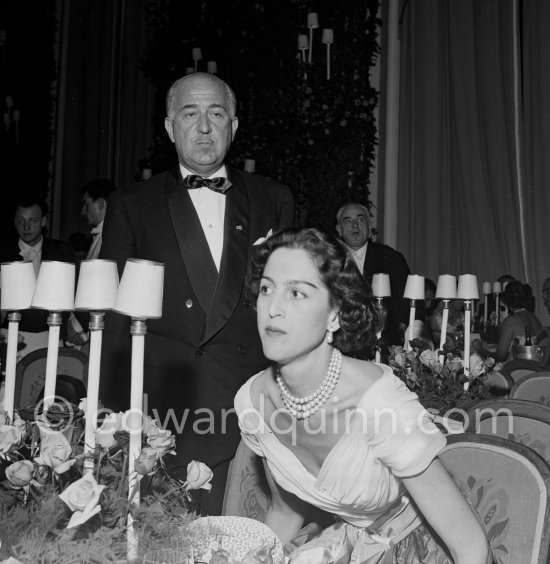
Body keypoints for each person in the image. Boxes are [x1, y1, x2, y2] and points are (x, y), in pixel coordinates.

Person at [99, 72, 295, 515]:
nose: (204, 127)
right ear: (170, 127)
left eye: (216, 113)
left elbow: (290, 312)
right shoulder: (132, 204)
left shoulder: (273, 199)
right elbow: (113, 322)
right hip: (165, 415)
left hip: (249, 409)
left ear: (234, 126)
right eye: (190, 114)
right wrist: (116, 418)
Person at [234, 228, 491, 563]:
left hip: (425, 548)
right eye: (267, 289)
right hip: (347, 544)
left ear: (335, 313)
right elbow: (284, 512)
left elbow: (470, 547)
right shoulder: (254, 401)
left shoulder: (381, 404)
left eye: (296, 293)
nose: (273, 308)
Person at [0, 195, 76, 355]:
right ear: (14, 222)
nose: (26, 227)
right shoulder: (4, 253)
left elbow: (74, 292)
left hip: (51, 335)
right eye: (21, 221)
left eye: (33, 221)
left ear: (43, 221)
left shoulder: (61, 251)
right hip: (11, 336)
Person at [335, 202, 410, 347]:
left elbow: (406, 304)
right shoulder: (330, 260)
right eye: (348, 221)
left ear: (369, 227)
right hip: (340, 344)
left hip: (382, 344)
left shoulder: (391, 258)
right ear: (339, 229)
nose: (355, 226)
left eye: (360, 220)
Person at [475, 280, 543, 363]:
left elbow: (499, 358)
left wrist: (480, 349)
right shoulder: (535, 319)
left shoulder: (511, 321)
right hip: (538, 372)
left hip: (519, 372)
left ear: (507, 301)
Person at [81, 178, 116, 259]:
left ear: (100, 203)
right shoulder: (102, 235)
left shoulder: (109, 238)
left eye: (86, 205)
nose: (83, 212)